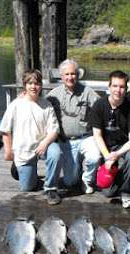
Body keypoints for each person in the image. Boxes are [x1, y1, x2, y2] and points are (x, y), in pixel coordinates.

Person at [0, 69, 62, 205]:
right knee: (27, 188)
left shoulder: (47, 104)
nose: (34, 86)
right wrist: (8, 151)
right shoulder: (15, 105)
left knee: (56, 152)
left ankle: (50, 188)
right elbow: (5, 130)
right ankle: (21, 169)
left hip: (43, 146)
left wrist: (45, 143)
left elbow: (54, 130)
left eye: (37, 83)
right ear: (24, 85)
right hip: (24, 150)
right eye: (30, 83)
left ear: (41, 86)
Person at [47, 59, 101, 194]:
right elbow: (40, 109)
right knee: (70, 182)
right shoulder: (53, 94)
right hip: (65, 141)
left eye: (73, 74)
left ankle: (87, 179)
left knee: (95, 157)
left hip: (86, 137)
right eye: (66, 74)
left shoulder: (88, 92)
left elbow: (102, 108)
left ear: (78, 75)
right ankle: (77, 169)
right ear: (61, 76)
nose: (70, 77)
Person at [89, 70, 130, 209]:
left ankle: (126, 191)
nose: (118, 90)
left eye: (122, 87)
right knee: (108, 192)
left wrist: (117, 155)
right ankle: (119, 175)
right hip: (107, 149)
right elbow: (97, 135)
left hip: (124, 148)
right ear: (109, 87)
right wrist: (107, 157)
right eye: (115, 86)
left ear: (126, 88)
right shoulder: (99, 105)